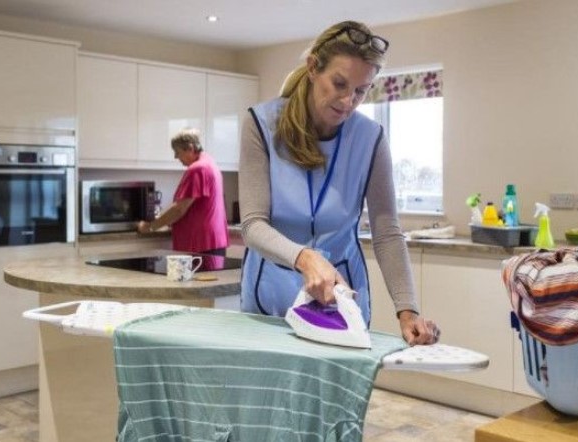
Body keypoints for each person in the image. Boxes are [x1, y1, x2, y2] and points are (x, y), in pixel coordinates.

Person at [239, 20, 440, 345]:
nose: (348, 101)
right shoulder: (261, 125)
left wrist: (408, 311)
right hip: (269, 294)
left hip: (341, 296)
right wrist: (307, 258)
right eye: (339, 84)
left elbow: (387, 232)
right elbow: (252, 225)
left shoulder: (370, 138)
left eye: (361, 91)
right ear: (313, 67)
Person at [137, 128, 229, 255]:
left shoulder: (197, 169)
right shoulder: (209, 163)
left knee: (199, 276)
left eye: (177, 152)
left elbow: (179, 209)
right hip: (211, 241)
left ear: (190, 148)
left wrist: (150, 227)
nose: (175, 157)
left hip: (200, 244)